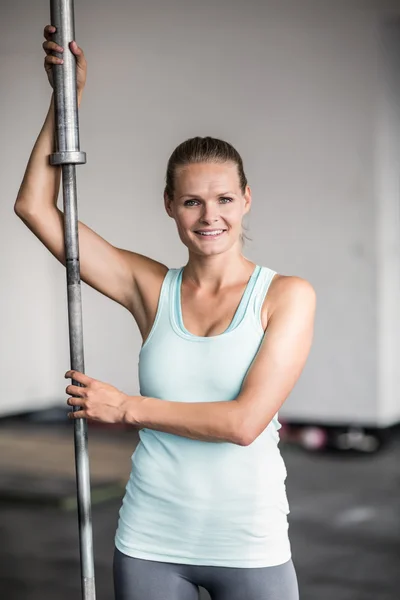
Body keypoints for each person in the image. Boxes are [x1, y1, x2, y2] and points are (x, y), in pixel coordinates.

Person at [14, 25, 316, 600]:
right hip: (152, 538)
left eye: (224, 198)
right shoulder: (150, 288)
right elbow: (34, 206)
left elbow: (244, 423)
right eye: (192, 200)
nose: (210, 216)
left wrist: (126, 407)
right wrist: (66, 100)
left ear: (246, 199)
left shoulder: (287, 297)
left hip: (248, 543)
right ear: (170, 207)